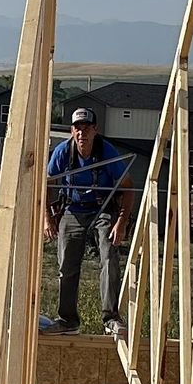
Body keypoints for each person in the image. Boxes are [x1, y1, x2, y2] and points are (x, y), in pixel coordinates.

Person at [43, 104, 131, 332]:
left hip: (103, 208)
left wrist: (121, 222)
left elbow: (128, 186)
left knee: (110, 257)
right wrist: (47, 219)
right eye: (77, 128)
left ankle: (110, 318)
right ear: (72, 131)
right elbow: (47, 183)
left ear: (95, 130)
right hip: (73, 209)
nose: (82, 133)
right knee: (66, 264)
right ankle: (67, 320)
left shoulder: (106, 151)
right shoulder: (63, 152)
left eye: (86, 128)